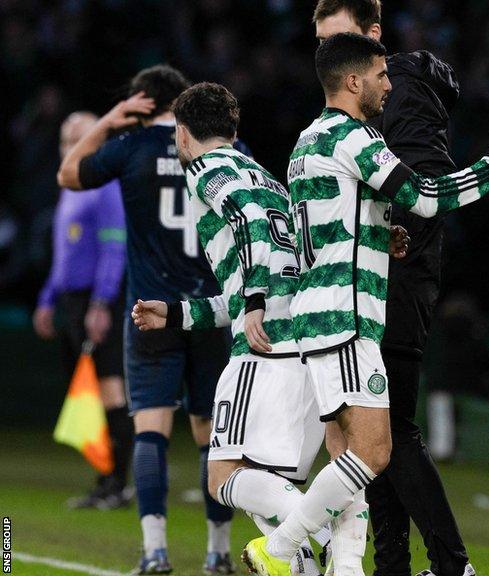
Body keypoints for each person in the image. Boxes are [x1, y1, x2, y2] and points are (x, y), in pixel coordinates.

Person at [240, 32, 489, 576]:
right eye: (383, 76)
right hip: (347, 317)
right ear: (354, 80)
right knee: (375, 453)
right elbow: (427, 198)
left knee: (345, 457)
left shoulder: (307, 141)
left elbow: (321, 227)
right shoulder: (355, 137)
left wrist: (380, 237)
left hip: (317, 315)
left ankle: (345, 568)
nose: (390, 86)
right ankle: (281, 547)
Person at [129, 81, 347, 576]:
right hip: (306, 341)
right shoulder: (264, 176)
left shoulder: (206, 168)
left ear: (182, 136)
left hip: (266, 350)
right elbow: (261, 268)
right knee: (262, 484)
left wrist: (252, 303)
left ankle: (321, 526)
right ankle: (309, 561)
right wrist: (180, 313)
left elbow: (249, 225)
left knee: (224, 476)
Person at [309, 2, 475, 575]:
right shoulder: (354, 103)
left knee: (391, 429)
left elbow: (425, 182)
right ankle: (394, 565)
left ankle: (452, 566)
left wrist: (398, 236)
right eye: (321, 42)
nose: (328, 53)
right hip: (376, 275)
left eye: (340, 38)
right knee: (368, 430)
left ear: (373, 36)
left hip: (398, 280)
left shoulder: (399, 90)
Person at [56, 65, 237, 575]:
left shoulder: (132, 148)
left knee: (150, 432)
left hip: (150, 312)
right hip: (210, 311)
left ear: (141, 101)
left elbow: (69, 173)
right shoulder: (224, 151)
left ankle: (155, 552)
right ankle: (218, 551)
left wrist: (112, 118)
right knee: (212, 436)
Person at [35, 111, 132, 510]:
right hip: (72, 302)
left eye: (78, 136)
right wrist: (47, 299)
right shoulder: (71, 187)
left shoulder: (104, 185)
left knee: (111, 391)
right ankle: (104, 481)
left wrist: (101, 303)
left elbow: (114, 248)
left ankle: (118, 485)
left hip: (97, 299)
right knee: (90, 395)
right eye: (64, 137)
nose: (68, 145)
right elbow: (65, 256)